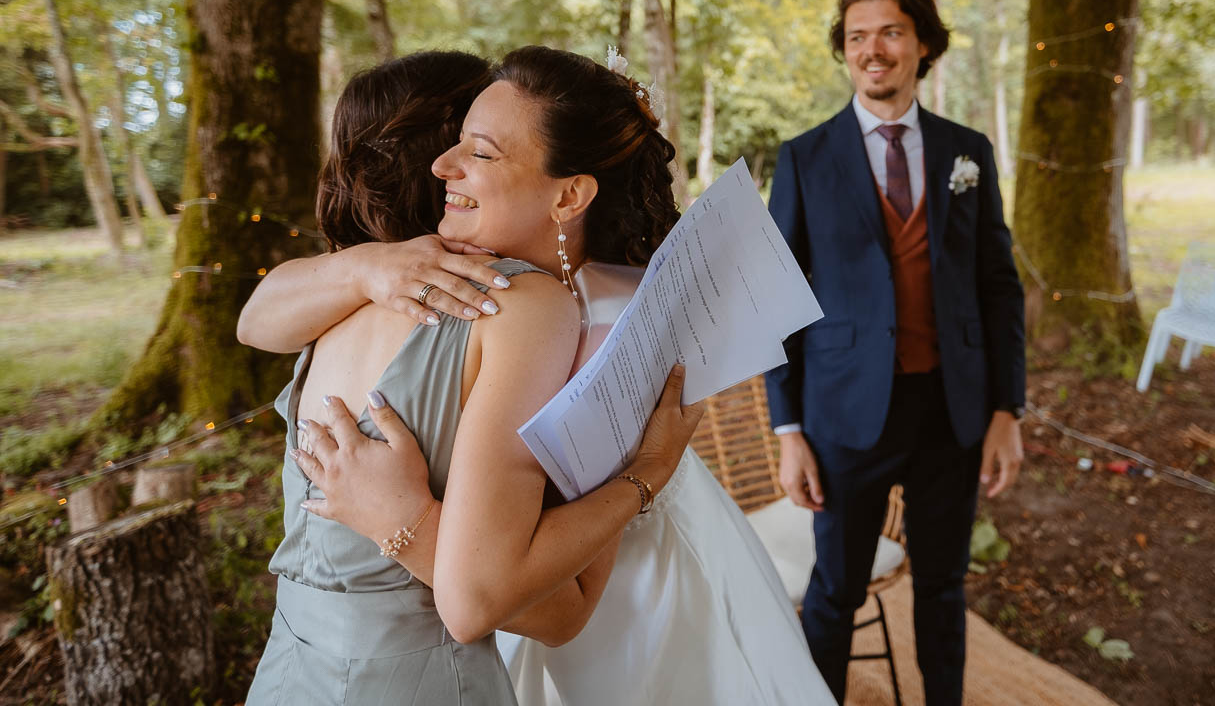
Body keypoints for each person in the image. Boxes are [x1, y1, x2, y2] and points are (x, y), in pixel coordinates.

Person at [242, 46, 837, 706]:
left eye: (480, 149)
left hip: (617, 610)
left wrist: (404, 520)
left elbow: (534, 601)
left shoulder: (579, 317)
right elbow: (256, 318)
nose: (449, 166)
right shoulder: (402, 284)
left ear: (570, 193)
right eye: (455, 141)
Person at [766, 0, 1027, 705]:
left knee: (943, 587)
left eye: (889, 32)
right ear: (845, 52)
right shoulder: (805, 158)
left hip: (954, 410)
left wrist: (1008, 411)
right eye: (856, 37)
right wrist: (788, 428)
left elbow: (999, 285)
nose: (871, 50)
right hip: (844, 414)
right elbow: (779, 301)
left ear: (921, 45)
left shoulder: (967, 151)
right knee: (836, 591)